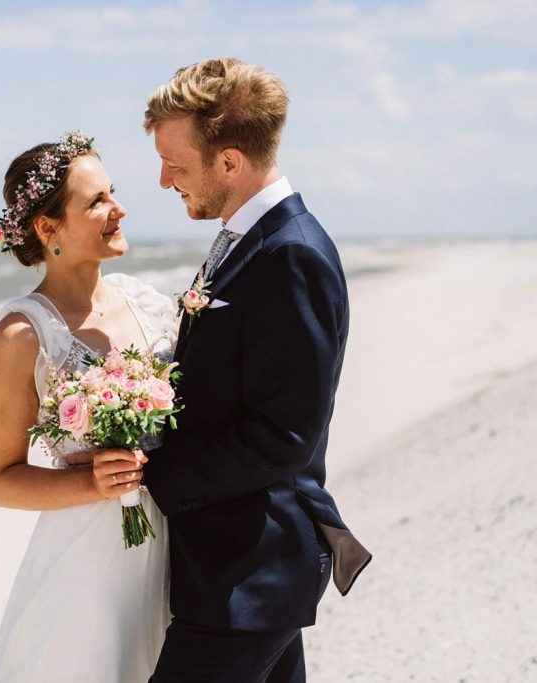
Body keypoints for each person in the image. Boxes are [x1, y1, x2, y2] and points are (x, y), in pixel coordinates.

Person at [138, 57, 373, 682]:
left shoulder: (291, 254)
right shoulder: (251, 240)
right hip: (241, 571)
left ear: (230, 162)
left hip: (249, 574)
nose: (163, 181)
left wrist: (154, 471)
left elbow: (284, 436)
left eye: (175, 164)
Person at [0, 132, 178, 682]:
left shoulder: (144, 302)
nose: (119, 210)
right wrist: (94, 485)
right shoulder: (22, 335)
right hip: (87, 562)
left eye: (112, 193)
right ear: (48, 228)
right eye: (97, 202)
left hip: (172, 545)